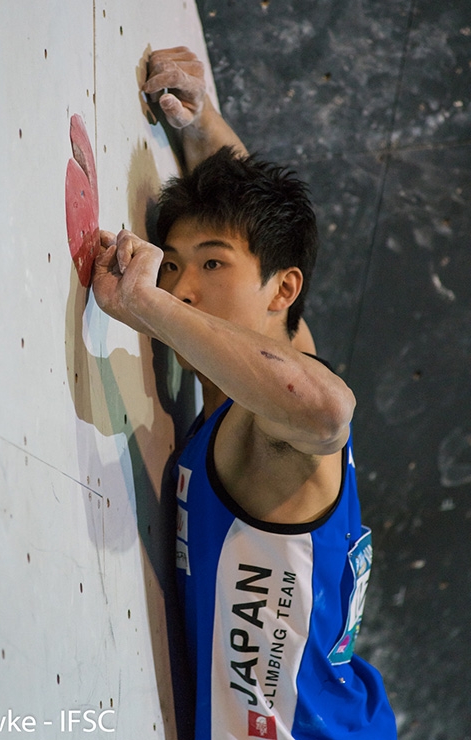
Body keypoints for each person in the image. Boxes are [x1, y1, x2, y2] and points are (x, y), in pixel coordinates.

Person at [92, 47, 396, 740]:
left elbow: (328, 409)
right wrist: (202, 124)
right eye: (170, 268)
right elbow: (263, 273)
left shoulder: (277, 427)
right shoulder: (263, 384)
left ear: (283, 291)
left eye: (210, 266)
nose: (184, 286)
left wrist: (147, 306)